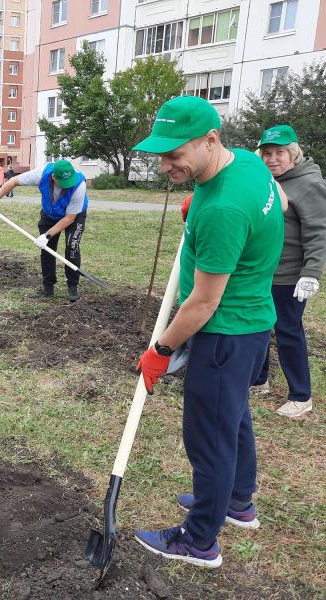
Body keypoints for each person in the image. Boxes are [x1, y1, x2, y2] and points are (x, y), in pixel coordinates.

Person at [130, 96, 284, 568]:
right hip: (254, 322)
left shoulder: (223, 210)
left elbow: (202, 302)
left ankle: (199, 541)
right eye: (160, 154)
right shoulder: (248, 166)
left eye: (175, 155)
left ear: (210, 140)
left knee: (209, 438)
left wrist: (161, 348)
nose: (164, 164)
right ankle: (237, 501)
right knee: (233, 417)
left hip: (224, 333)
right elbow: (278, 200)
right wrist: (198, 198)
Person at [251, 125, 326, 418]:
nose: (272, 158)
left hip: (290, 275)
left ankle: (300, 395)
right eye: (267, 153)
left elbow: (318, 231)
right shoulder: (267, 181)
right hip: (264, 269)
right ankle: (259, 380)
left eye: (279, 152)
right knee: (258, 324)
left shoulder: (308, 184)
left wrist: (311, 272)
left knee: (287, 330)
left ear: (292, 153)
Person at [0, 159, 88, 302]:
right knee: (46, 248)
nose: (67, 186)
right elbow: (13, 181)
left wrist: (47, 234)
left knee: (72, 246)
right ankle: (48, 287)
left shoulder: (79, 185)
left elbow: (69, 218)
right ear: (53, 177)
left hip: (74, 216)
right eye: (63, 183)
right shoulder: (41, 174)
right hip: (49, 213)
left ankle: (72, 286)